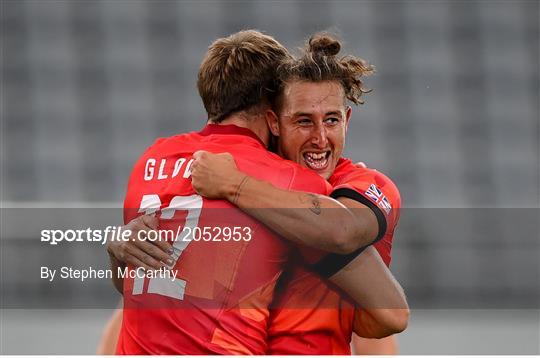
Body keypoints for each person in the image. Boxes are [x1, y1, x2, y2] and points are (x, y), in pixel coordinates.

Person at [106, 31, 408, 354]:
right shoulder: (287, 181)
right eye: (303, 120)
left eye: (331, 120)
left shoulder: (154, 159)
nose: (320, 138)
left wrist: (235, 185)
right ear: (273, 117)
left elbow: (384, 307)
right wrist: (117, 249)